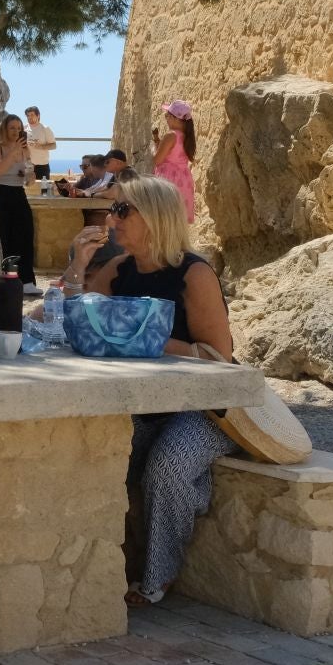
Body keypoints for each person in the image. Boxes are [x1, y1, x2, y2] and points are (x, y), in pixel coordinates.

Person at [70, 177, 236, 606]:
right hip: (146, 406)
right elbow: (74, 317)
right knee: (96, 452)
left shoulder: (193, 273)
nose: (112, 218)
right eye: (113, 209)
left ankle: (158, 578)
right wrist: (77, 263)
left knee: (167, 467)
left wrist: (147, 339)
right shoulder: (120, 268)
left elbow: (220, 357)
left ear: (156, 216)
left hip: (207, 409)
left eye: (123, 210)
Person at [0, 113, 37, 288]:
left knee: (25, 234)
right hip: (0, 193)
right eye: (12, 128)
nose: (16, 131)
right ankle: (4, 279)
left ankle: (26, 280)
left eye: (19, 128)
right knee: (4, 237)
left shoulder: (25, 149)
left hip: (18, 193)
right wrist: (13, 153)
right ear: (4, 128)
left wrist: (30, 176)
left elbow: (29, 177)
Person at [151, 99, 199, 221]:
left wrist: (153, 149)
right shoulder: (187, 137)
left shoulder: (170, 136)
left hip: (169, 180)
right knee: (178, 221)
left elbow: (157, 160)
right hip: (184, 180)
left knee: (165, 220)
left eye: (168, 115)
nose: (166, 118)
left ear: (176, 118)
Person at [25, 106, 58, 181]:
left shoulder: (45, 128)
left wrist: (40, 147)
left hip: (42, 167)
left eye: (32, 115)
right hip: (28, 167)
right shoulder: (23, 128)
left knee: (44, 191)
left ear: (38, 115)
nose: (29, 117)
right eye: (28, 115)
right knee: (27, 191)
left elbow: (54, 145)